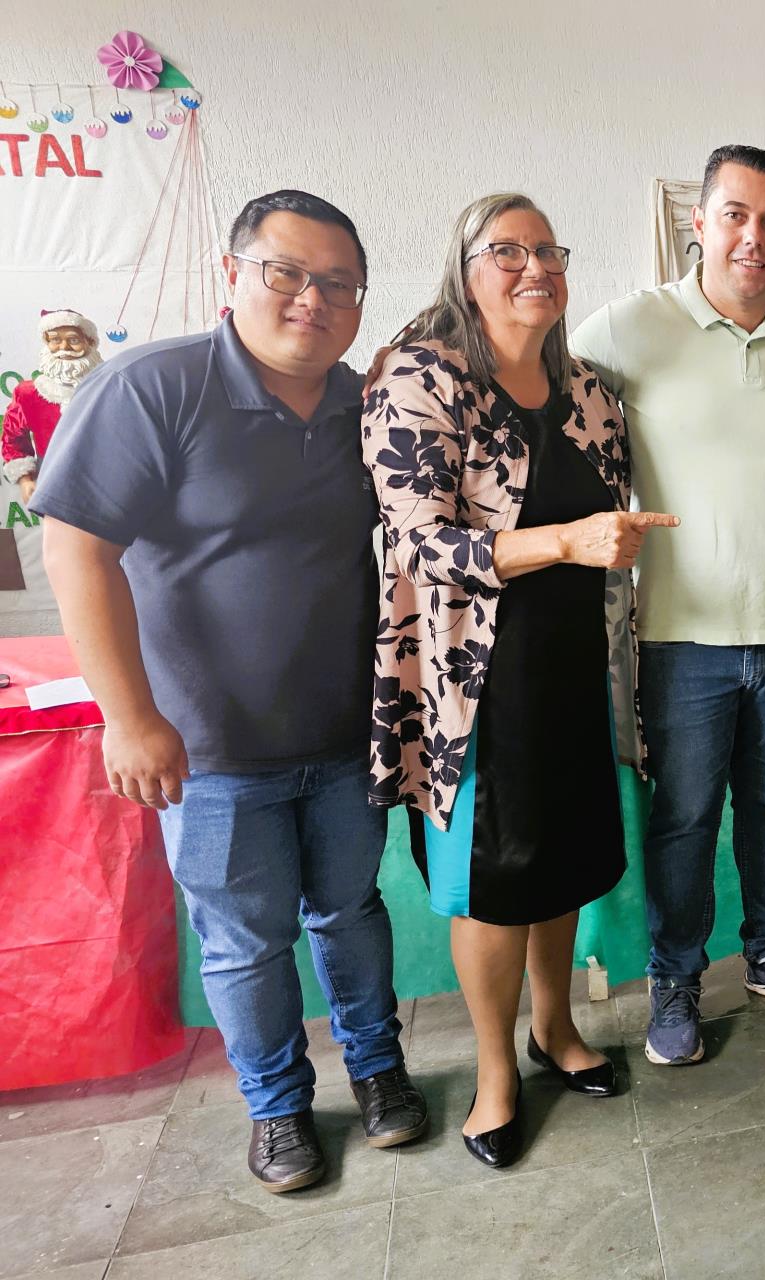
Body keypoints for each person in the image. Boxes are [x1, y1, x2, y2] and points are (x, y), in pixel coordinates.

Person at [32, 190, 426, 1193]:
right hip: (207, 746)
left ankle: (378, 1070)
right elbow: (76, 548)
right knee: (247, 941)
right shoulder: (152, 388)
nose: (311, 299)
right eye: (285, 272)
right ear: (233, 272)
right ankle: (278, 1106)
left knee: (351, 911)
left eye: (338, 283)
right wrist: (130, 716)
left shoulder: (362, 403)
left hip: (344, 733)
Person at [363, 192, 674, 1169]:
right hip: (474, 690)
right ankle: (495, 1074)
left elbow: (615, 519)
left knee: (563, 864)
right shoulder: (420, 376)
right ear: (466, 270)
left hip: (577, 670)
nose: (535, 267)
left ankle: (556, 1027)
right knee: (493, 886)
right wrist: (568, 541)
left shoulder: (587, 391)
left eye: (549, 250)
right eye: (508, 250)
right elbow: (419, 543)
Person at [572, 145, 765, 1067]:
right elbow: (545, 409)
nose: (754, 236)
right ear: (698, 223)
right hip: (681, 635)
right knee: (686, 816)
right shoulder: (629, 326)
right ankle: (675, 978)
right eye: (735, 215)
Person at [3, 308, 104, 505]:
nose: (63, 347)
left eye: (73, 339)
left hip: (106, 482)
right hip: (52, 484)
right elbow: (13, 438)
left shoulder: (110, 387)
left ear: (89, 342)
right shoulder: (29, 393)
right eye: (55, 340)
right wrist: (25, 479)